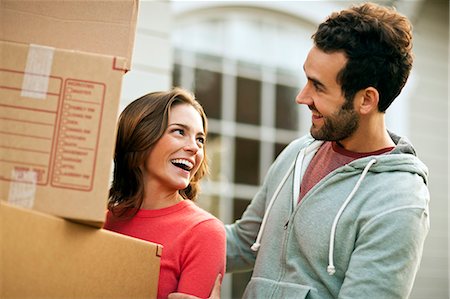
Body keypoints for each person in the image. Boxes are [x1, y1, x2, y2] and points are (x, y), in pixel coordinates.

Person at [169, 2, 430, 299]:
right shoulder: (299, 154)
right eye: (306, 79)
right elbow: (243, 242)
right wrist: (154, 229)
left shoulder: (398, 201)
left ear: (367, 100)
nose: (301, 97)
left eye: (318, 87)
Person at [104, 87, 226, 299]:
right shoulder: (103, 220)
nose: (194, 148)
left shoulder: (203, 232)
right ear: (141, 137)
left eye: (200, 139)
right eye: (179, 132)